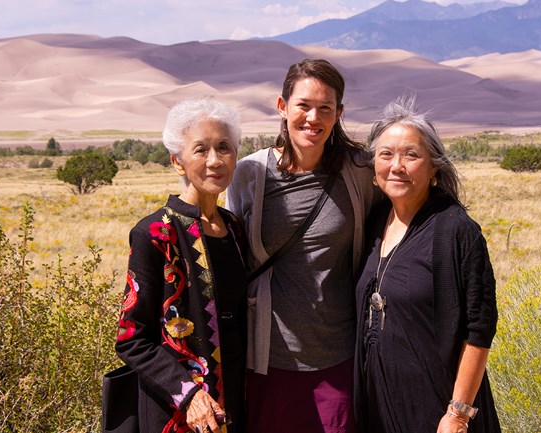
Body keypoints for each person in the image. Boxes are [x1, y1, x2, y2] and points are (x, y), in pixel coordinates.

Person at [225, 58, 381, 433]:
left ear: (339, 114)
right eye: (303, 105)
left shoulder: (359, 172)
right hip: (268, 359)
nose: (314, 117)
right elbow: (229, 254)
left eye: (325, 108)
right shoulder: (250, 174)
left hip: (339, 356)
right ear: (282, 107)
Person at [354, 94, 501, 433]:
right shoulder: (374, 222)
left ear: (434, 167)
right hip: (380, 406)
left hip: (438, 412)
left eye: (412, 155)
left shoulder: (455, 230)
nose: (396, 166)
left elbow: (479, 327)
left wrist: (459, 414)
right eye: (386, 154)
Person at [115, 98, 247, 433]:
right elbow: (132, 338)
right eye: (201, 149)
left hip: (237, 403)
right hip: (178, 414)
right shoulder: (155, 232)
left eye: (224, 148)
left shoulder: (234, 228)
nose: (215, 160)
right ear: (178, 161)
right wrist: (190, 396)